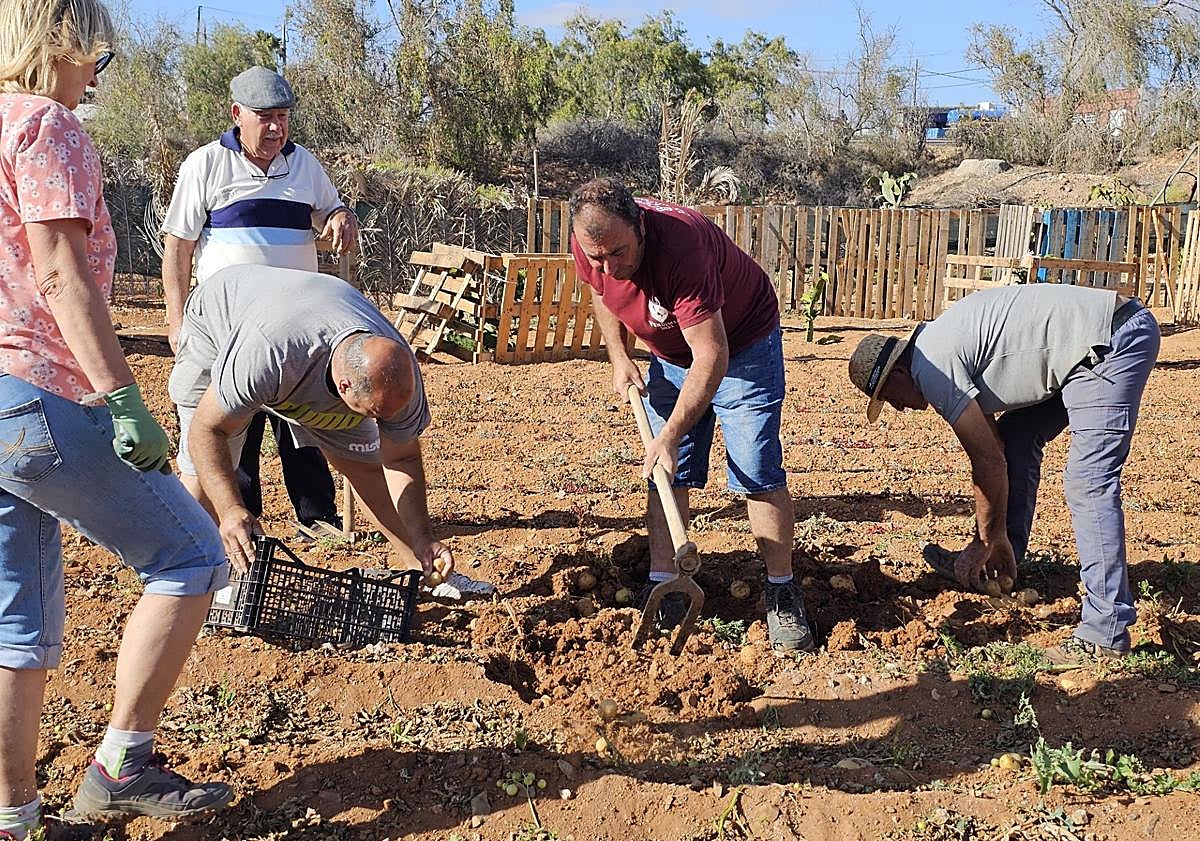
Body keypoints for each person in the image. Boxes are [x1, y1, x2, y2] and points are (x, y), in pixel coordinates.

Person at [0, 1, 233, 836]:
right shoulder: (46, 127)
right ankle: (120, 762)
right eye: (99, 50)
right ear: (63, 40)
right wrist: (127, 401)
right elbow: (61, 273)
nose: (99, 68)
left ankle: (15, 819)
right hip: (41, 395)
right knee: (193, 555)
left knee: (15, 625)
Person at [847, 283, 1160, 666]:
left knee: (1089, 482)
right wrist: (991, 538)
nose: (896, 407)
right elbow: (997, 445)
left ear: (898, 372)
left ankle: (1106, 628)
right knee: (1016, 437)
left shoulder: (931, 367)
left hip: (1109, 343)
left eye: (888, 396)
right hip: (1087, 345)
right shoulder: (938, 348)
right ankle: (1001, 563)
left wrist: (986, 535)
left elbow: (987, 461)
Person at [568, 178, 814, 652]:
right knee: (664, 474)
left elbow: (712, 355)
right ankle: (666, 586)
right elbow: (601, 293)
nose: (608, 266)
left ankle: (782, 591)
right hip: (672, 355)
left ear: (641, 224)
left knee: (756, 468)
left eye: (617, 253)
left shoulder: (683, 249)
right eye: (597, 257)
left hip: (740, 348)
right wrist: (619, 356)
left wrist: (671, 433)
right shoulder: (594, 243)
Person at [169, 264, 494, 597]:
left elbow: (401, 458)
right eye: (376, 415)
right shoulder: (269, 354)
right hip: (221, 322)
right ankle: (190, 580)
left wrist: (424, 537)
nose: (384, 423)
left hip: (301, 347)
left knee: (365, 467)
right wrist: (230, 509)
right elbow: (207, 432)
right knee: (202, 474)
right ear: (344, 386)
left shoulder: (397, 374)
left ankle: (422, 569)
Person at [161, 65, 360, 535]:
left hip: (298, 329)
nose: (276, 127)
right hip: (231, 327)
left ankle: (318, 516)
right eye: (265, 116)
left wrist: (341, 215)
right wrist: (175, 319)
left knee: (304, 423)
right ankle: (242, 519)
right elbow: (178, 246)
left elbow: (330, 209)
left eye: (283, 117)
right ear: (237, 115)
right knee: (234, 423)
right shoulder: (205, 164)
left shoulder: (305, 165)